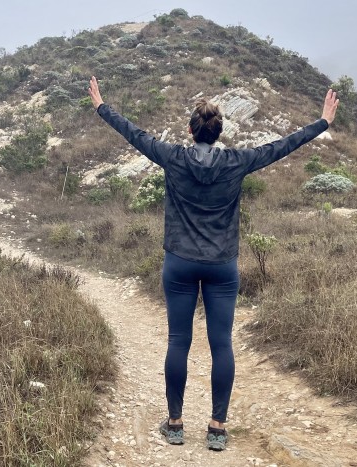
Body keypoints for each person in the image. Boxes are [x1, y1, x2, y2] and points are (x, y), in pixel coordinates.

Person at [87, 76, 339, 451]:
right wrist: (322, 123)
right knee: (221, 344)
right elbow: (281, 147)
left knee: (178, 340)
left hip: (180, 263)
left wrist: (101, 107)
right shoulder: (238, 161)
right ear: (219, 133)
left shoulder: (173, 156)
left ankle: (174, 424)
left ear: (191, 131)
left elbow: (134, 134)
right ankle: (217, 428)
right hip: (222, 265)